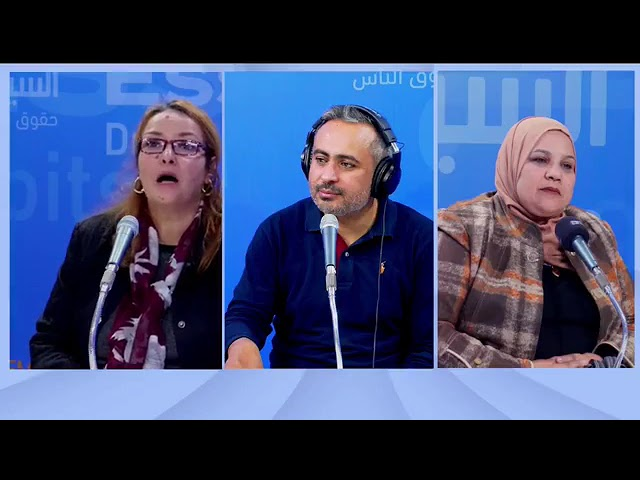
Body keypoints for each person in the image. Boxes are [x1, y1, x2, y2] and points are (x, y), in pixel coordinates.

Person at [225, 104, 434, 369]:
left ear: (383, 175)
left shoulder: (421, 238)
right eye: (321, 159)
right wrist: (241, 344)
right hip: (296, 388)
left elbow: (427, 347)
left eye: (346, 164)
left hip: (385, 389)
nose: (327, 176)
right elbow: (247, 312)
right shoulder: (278, 231)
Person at [29, 99, 223, 369]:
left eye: (186, 145)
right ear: (138, 162)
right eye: (153, 144)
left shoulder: (228, 246)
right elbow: (49, 342)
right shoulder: (94, 238)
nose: (167, 156)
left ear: (209, 168)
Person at [438, 116, 635, 368]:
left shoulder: (595, 233)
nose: (555, 174)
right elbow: (433, 333)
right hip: (496, 390)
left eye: (567, 166)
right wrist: (526, 371)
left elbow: (630, 321)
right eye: (540, 160)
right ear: (513, 163)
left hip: (592, 389)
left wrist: (607, 361)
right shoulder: (465, 227)